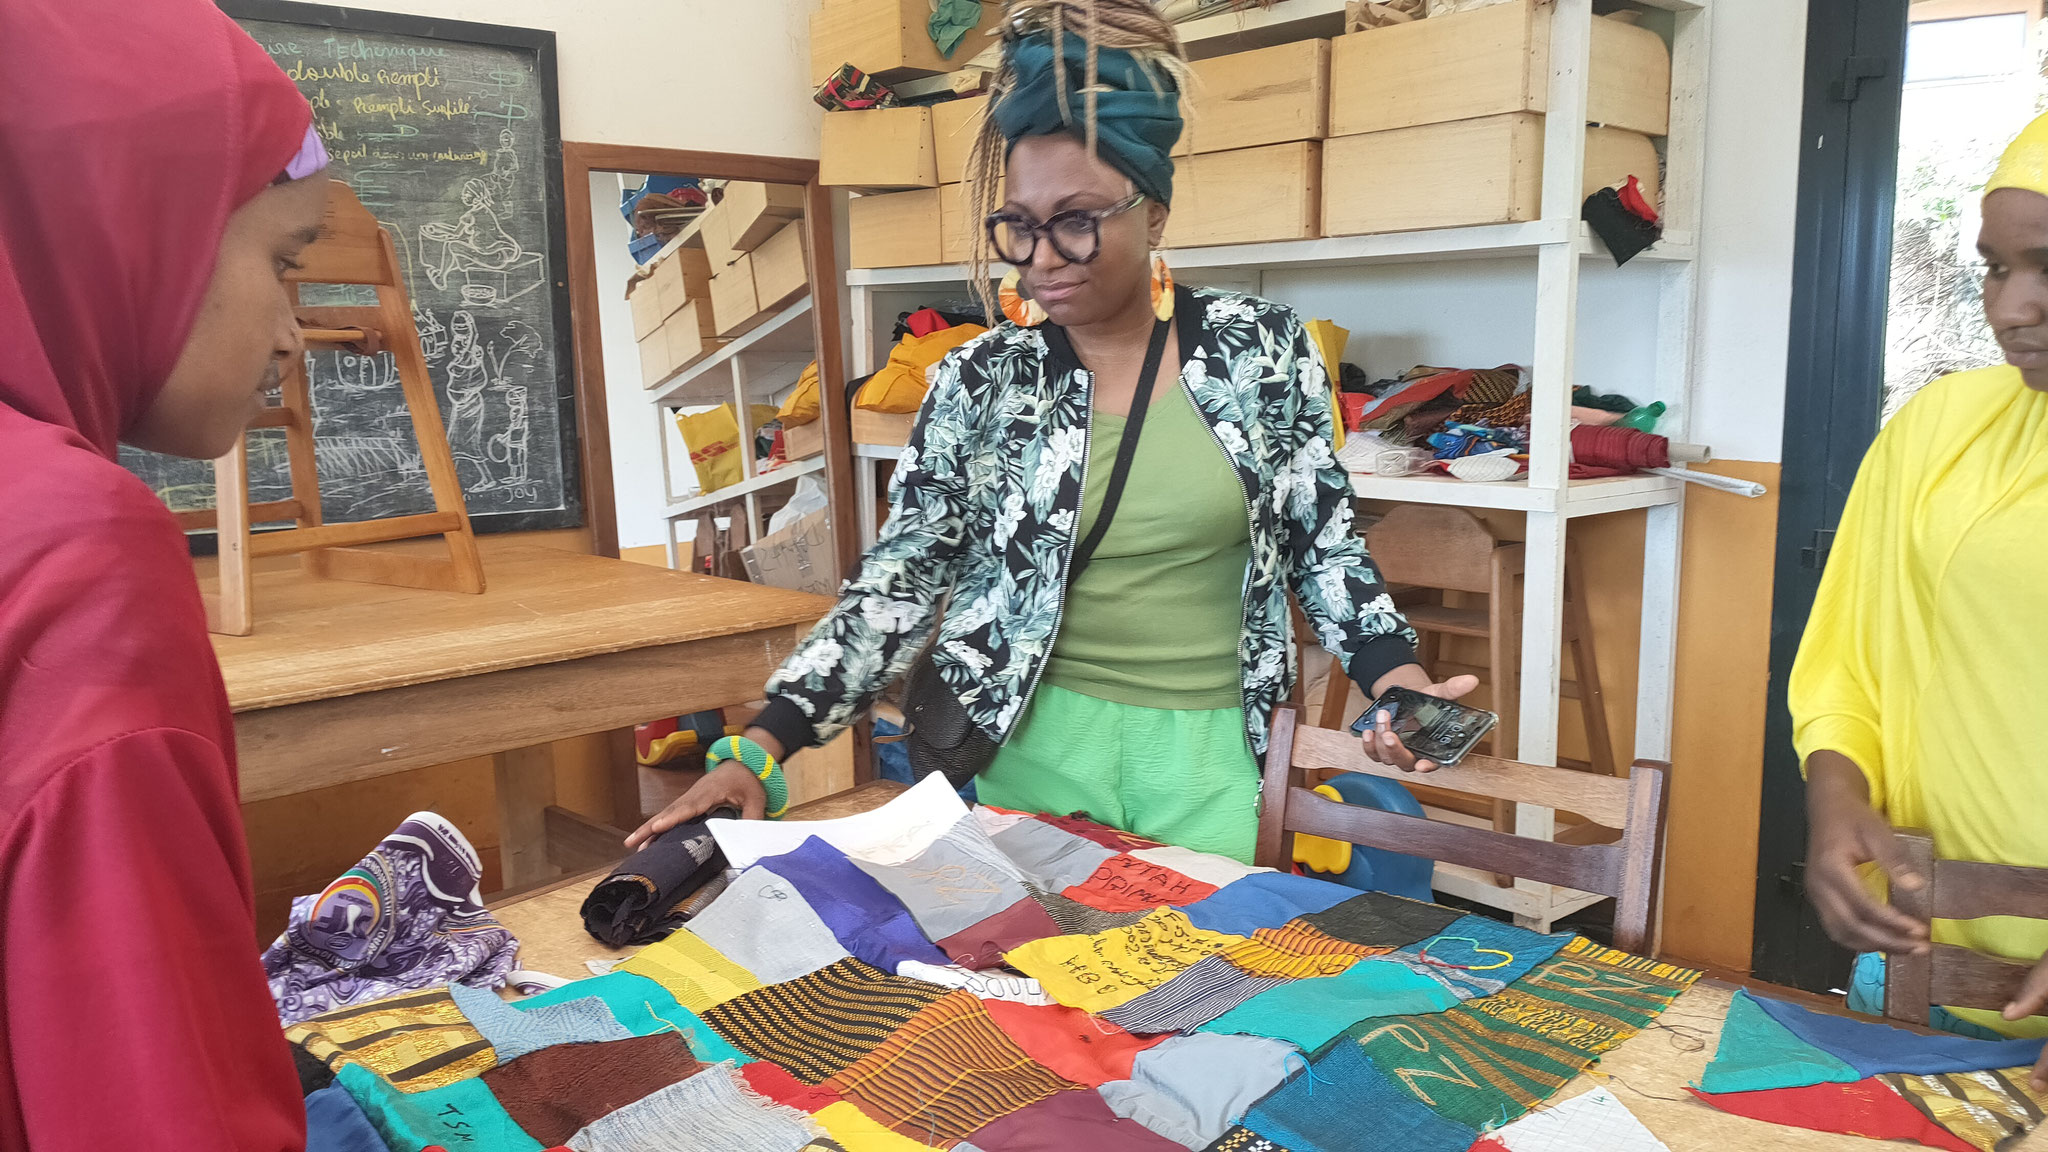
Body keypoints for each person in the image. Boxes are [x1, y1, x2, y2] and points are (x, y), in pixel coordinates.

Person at [631, 0, 1473, 864]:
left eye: (1076, 220)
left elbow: (1322, 544)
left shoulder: (1259, 350)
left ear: (1154, 212)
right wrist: (761, 745)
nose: (1041, 258)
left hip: (1212, 759)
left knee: (1207, 949)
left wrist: (1397, 679)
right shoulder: (982, 378)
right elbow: (904, 575)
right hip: (1031, 754)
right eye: (1021, 226)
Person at [0, 0, 331, 1145]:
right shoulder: (77, 548)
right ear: (130, 221)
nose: (291, 333)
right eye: (282, 263)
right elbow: (163, 1102)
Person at [1791, 111, 2048, 1080]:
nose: (2010, 309)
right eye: (1995, 268)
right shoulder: (1938, 430)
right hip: (1923, 969)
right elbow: (1847, 654)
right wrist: (1835, 793)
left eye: (2046, 267)